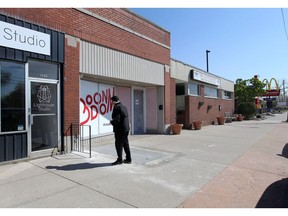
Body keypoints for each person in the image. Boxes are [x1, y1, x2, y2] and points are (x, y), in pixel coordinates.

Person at [110, 95, 132, 165]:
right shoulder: (124, 107)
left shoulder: (117, 107)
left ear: (114, 101)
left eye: (112, 101)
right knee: (125, 144)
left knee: (118, 144)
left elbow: (117, 120)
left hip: (120, 129)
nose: (111, 103)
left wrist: (111, 122)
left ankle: (119, 160)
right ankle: (128, 159)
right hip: (126, 128)